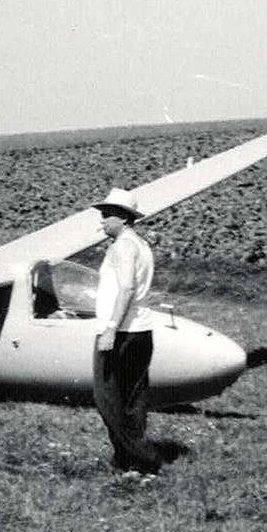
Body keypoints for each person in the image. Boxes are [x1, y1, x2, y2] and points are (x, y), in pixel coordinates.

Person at [90, 187, 159, 473]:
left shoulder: (121, 247)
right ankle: (128, 460)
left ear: (122, 217)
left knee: (107, 398)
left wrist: (110, 329)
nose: (102, 221)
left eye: (106, 215)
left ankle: (141, 459)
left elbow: (127, 287)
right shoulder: (141, 245)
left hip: (120, 332)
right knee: (133, 398)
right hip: (141, 330)